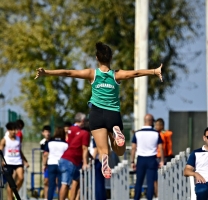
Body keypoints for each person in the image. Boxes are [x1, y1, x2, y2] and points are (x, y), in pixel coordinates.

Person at [35, 42, 163, 178]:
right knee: (119, 151)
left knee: (103, 150)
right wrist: (154, 71)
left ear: (97, 58)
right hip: (112, 114)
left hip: (96, 115)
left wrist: (46, 72)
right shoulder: (116, 75)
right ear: (111, 58)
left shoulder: (92, 74)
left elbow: (69, 73)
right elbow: (136, 73)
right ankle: (116, 132)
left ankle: (104, 161)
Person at [131, 114, 164, 200]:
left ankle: (136, 198)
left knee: (139, 182)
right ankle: (149, 198)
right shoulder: (156, 134)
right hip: (152, 159)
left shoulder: (137, 133)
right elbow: (161, 148)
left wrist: (132, 162)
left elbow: (133, 148)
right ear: (150, 121)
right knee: (150, 182)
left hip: (141, 159)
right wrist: (162, 161)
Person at [58, 112, 90, 200]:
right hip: (71, 160)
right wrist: (85, 163)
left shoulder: (71, 129)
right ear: (83, 121)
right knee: (65, 184)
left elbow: (73, 143)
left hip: (68, 159)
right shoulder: (84, 133)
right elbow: (84, 148)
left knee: (77, 181)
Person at [0, 122, 29, 200]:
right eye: (12, 130)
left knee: (21, 178)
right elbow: (0, 151)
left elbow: (19, 150)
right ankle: (10, 198)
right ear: (8, 130)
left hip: (18, 161)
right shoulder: (4, 140)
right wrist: (1, 161)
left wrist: (25, 161)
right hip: (8, 162)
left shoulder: (18, 139)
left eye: (15, 130)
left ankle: (14, 192)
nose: (14, 131)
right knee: (11, 182)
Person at [43, 127, 68, 200]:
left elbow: (45, 154)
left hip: (51, 164)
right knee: (60, 184)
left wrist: (44, 165)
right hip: (62, 164)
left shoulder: (50, 142)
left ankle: (49, 198)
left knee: (51, 185)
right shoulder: (65, 143)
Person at [183, 127, 208, 200]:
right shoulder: (196, 153)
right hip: (203, 182)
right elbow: (186, 171)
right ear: (204, 138)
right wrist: (195, 174)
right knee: (202, 191)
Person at [40, 125, 51, 200]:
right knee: (46, 181)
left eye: (49, 131)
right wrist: (43, 165)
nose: (48, 133)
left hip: (54, 163)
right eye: (46, 132)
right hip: (47, 164)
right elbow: (43, 154)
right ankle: (46, 198)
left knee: (57, 181)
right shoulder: (42, 143)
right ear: (43, 133)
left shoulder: (53, 140)